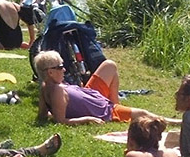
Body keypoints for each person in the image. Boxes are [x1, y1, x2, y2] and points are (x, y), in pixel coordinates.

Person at [34, 50, 177, 126]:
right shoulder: (57, 90)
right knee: (143, 113)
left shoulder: (46, 86)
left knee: (109, 65)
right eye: (60, 67)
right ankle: (176, 122)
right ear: (50, 72)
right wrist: (87, 119)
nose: (64, 70)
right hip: (105, 110)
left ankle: (115, 102)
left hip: (92, 93)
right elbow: (61, 121)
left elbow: (42, 115)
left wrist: (51, 113)